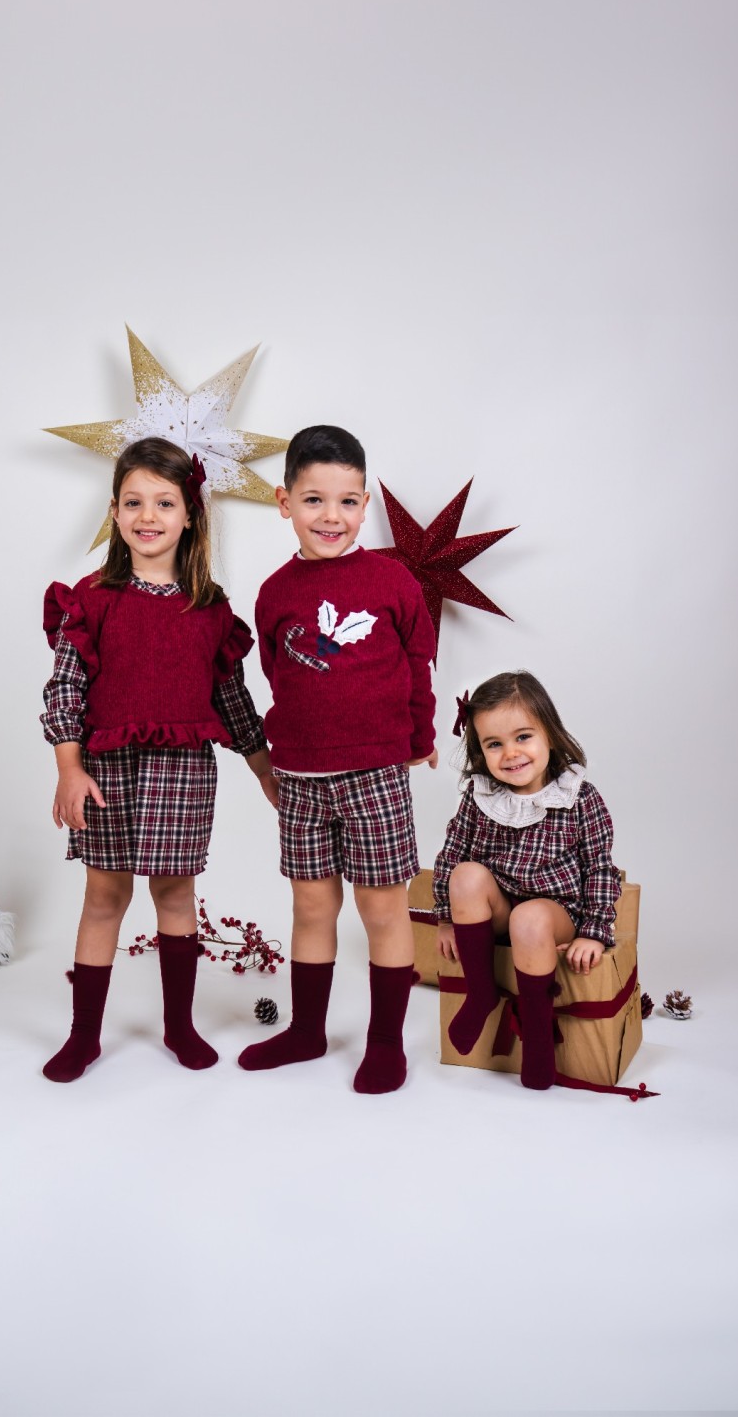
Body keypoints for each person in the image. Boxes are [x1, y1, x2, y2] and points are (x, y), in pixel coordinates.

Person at [40, 437, 277, 1082]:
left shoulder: (210, 608)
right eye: (134, 502)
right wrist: (68, 769)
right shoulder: (92, 599)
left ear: (190, 514)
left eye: (164, 502)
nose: (148, 515)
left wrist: (262, 768)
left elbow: (231, 698)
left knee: (175, 893)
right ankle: (83, 1036)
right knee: (104, 896)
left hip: (183, 771)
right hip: (106, 771)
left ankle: (179, 1026)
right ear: (115, 512)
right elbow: (65, 690)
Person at [237, 425, 437, 1094]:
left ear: (365, 503)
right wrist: (282, 755)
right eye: (314, 500)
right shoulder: (274, 593)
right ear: (284, 502)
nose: (332, 516)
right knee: (312, 907)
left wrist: (419, 738)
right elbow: (278, 675)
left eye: (348, 502)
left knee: (382, 911)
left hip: (375, 772)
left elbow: (418, 664)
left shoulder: (391, 581)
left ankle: (385, 1044)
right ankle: (307, 1031)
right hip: (299, 776)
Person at [434, 670, 621, 1089]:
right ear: (480, 751)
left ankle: (537, 1035)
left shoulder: (578, 797)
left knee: (531, 916)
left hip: (554, 915)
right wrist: (445, 920)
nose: (511, 754)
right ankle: (481, 993)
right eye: (494, 744)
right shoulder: (480, 797)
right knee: (465, 874)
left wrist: (593, 933)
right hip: (500, 911)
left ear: (549, 735)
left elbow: (599, 868)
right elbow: (452, 854)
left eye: (523, 737)